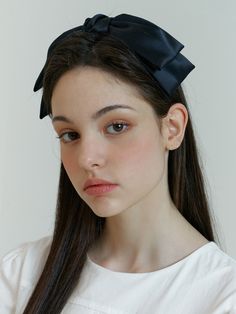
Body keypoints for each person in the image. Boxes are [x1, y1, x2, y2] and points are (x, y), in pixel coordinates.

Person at [0, 13, 235, 314]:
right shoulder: (21, 275)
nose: (87, 159)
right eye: (69, 134)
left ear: (172, 128)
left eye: (117, 126)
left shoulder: (223, 296)